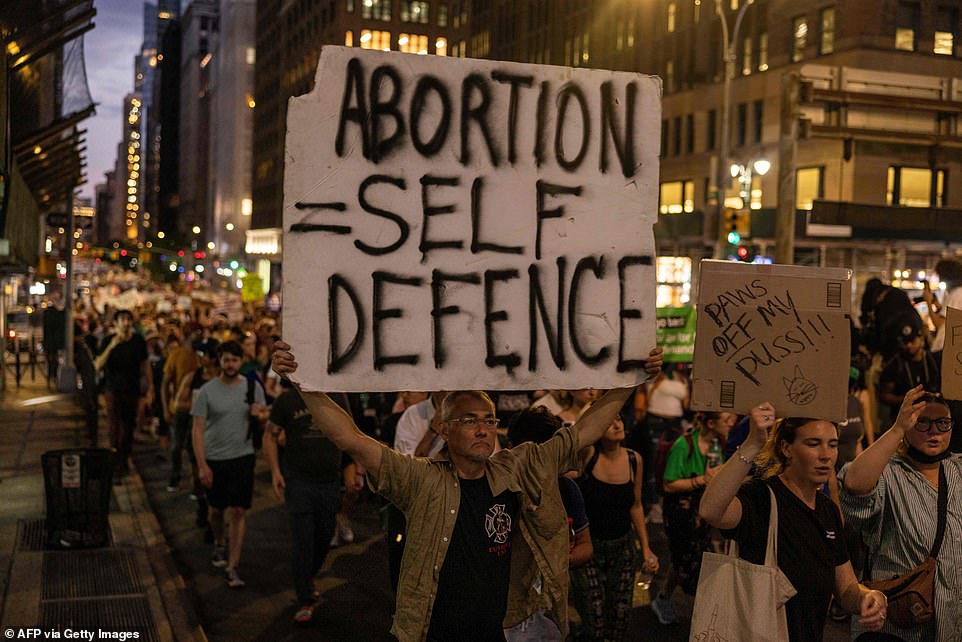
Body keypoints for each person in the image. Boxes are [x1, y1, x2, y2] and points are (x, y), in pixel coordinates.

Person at [271, 340, 663, 642]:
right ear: (443, 428)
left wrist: (630, 381)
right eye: (469, 420)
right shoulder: (420, 480)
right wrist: (302, 383)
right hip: (432, 630)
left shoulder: (519, 468)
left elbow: (587, 429)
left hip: (501, 630)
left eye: (489, 420)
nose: (483, 429)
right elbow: (350, 438)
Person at [699, 403, 888, 642]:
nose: (825, 455)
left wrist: (867, 597)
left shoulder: (828, 510)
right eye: (813, 443)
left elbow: (846, 588)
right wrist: (753, 443)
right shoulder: (762, 498)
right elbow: (710, 511)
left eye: (832, 445)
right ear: (786, 448)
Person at [839, 386, 962, 642]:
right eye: (923, 423)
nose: (934, 432)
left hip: (951, 624)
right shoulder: (890, 472)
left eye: (942, 423)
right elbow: (854, 484)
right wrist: (897, 429)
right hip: (896, 627)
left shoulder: (957, 469)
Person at [504, 406, 594, 642]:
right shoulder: (498, 490)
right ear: (511, 450)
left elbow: (586, 547)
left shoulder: (567, 489)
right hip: (505, 611)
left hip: (550, 614)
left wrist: (554, 561)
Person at [264, 378, 349, 625]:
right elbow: (270, 435)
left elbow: (351, 432)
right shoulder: (287, 400)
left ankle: (307, 576)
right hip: (299, 481)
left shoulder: (337, 397)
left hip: (329, 482)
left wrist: (356, 468)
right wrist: (275, 472)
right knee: (303, 540)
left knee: (324, 537)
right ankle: (305, 598)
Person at [570, 413, 658, 641]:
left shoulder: (633, 459)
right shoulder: (588, 455)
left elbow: (636, 506)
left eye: (619, 418)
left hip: (623, 548)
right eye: (608, 421)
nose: (616, 423)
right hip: (590, 549)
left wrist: (646, 549)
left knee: (619, 620)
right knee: (594, 622)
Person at [191, 340, 267, 589]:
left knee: (238, 510)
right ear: (219, 361)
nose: (230, 364)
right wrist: (202, 465)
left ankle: (233, 565)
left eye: (235, 360)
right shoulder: (207, 391)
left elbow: (266, 418)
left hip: (243, 457)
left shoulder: (253, 387)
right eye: (226, 360)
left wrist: (260, 415)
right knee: (216, 510)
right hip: (215, 459)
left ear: (241, 361)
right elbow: (197, 429)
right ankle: (219, 542)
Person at [652, 410, 736, 624]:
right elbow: (668, 484)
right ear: (710, 422)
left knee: (686, 558)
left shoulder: (719, 443)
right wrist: (701, 480)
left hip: (701, 511)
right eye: (726, 420)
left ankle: (664, 597)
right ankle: (706, 617)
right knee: (689, 560)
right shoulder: (683, 444)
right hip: (680, 513)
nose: (731, 424)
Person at [95, 309, 152, 477]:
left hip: (132, 390)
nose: (126, 323)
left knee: (128, 428)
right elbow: (98, 364)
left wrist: (150, 387)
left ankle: (124, 458)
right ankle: (116, 462)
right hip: (113, 390)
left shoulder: (138, 341)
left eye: (129, 320)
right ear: (116, 323)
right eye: (123, 320)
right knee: (114, 428)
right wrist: (112, 346)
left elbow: (145, 364)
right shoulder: (107, 341)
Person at [878, 318, 940, 420]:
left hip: (933, 413)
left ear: (921, 338)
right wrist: (906, 399)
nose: (909, 345)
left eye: (912, 340)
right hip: (905, 417)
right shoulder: (894, 365)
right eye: (905, 342)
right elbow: (884, 395)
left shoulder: (934, 360)